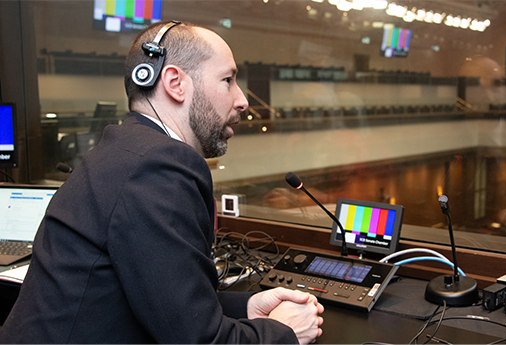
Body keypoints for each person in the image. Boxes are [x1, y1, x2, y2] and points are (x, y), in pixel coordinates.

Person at [0, 21, 324, 344]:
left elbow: (167, 305)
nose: (242, 100)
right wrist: (284, 333)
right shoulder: (157, 166)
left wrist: (248, 307)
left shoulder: (126, 151)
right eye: (228, 80)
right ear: (174, 82)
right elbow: (198, 340)